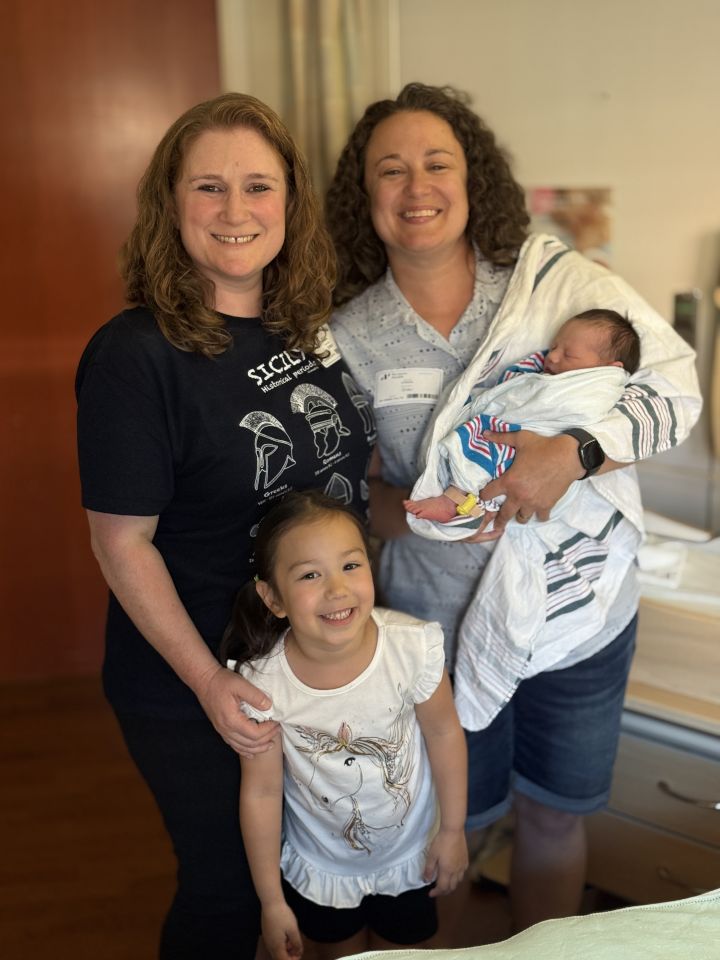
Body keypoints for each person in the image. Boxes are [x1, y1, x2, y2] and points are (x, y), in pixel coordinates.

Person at [325, 82, 702, 930]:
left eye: (437, 164)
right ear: (365, 195)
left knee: (556, 817)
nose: (416, 187)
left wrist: (570, 455)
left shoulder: (553, 291)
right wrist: (429, 514)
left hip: (577, 611)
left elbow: (669, 389)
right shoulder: (348, 336)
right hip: (437, 625)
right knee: (452, 828)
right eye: (390, 170)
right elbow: (347, 495)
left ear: (473, 180)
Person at [75, 93, 375, 959]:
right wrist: (209, 682)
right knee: (228, 890)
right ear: (171, 205)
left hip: (311, 662)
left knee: (309, 879)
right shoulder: (135, 356)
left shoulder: (304, 328)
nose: (235, 209)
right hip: (198, 677)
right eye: (209, 186)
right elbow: (121, 542)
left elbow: (336, 481)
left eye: (258, 186)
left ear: (290, 202)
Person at [221, 490, 468, 958]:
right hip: (322, 870)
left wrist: (453, 831)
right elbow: (262, 792)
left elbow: (444, 733)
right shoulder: (263, 685)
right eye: (310, 575)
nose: (337, 589)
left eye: (350, 565)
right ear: (273, 598)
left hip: (410, 858)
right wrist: (271, 902)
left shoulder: (412, 648)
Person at [405, 309, 640, 524]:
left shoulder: (595, 392)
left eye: (569, 354)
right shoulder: (547, 370)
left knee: (488, 449)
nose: (552, 357)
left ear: (608, 370)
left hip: (538, 446)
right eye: (554, 346)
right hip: (524, 438)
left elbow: (561, 410)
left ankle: (455, 501)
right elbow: (516, 387)